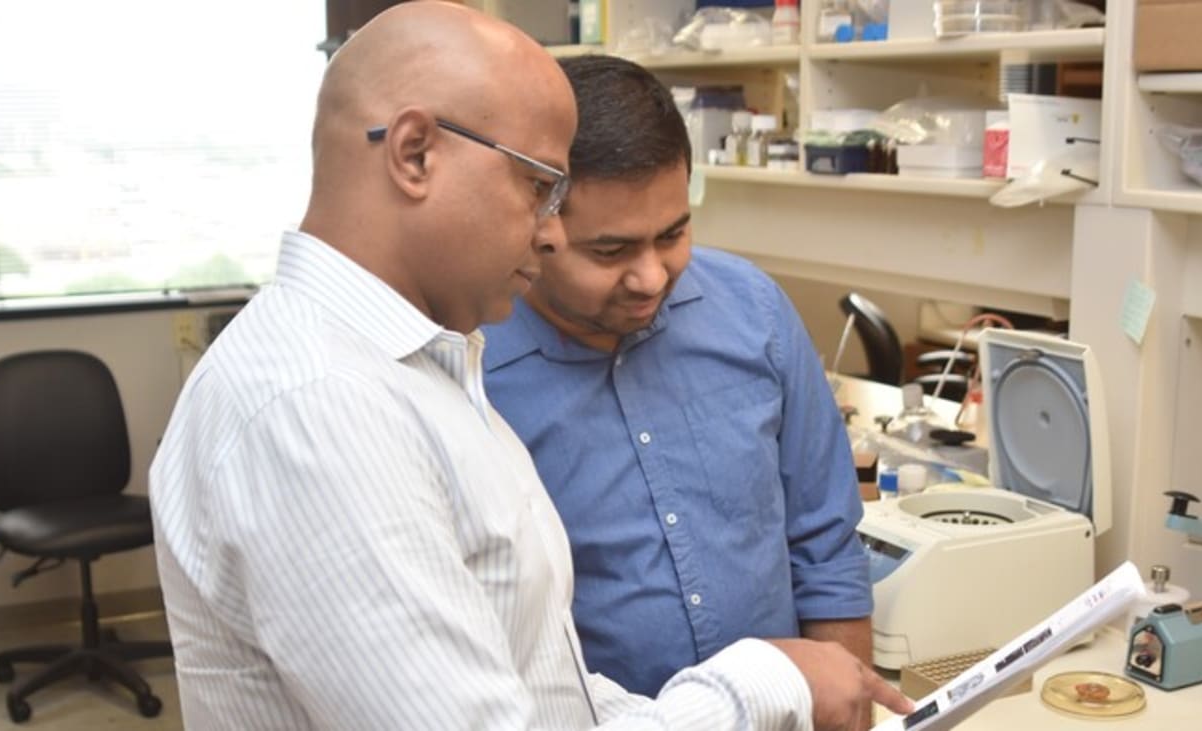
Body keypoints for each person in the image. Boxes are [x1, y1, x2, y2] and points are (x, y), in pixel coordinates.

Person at [150, 2, 911, 729]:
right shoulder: (316, 403)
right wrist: (765, 681)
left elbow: (547, 690)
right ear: (415, 154)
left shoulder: (424, 368)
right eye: (539, 187)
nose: (551, 236)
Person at [482, 54, 876, 721]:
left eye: (673, 234)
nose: (651, 277)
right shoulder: (474, 370)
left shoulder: (754, 312)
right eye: (610, 251)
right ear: (535, 221)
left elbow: (826, 544)